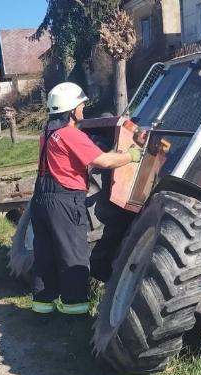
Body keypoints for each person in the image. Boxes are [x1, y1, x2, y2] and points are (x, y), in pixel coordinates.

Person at [30, 82, 140, 315]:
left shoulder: (48, 132)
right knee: (73, 254)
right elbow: (102, 162)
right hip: (65, 201)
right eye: (81, 105)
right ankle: (74, 309)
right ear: (71, 109)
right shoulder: (71, 134)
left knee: (45, 254)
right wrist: (129, 155)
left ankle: (42, 306)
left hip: (41, 200)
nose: (83, 109)